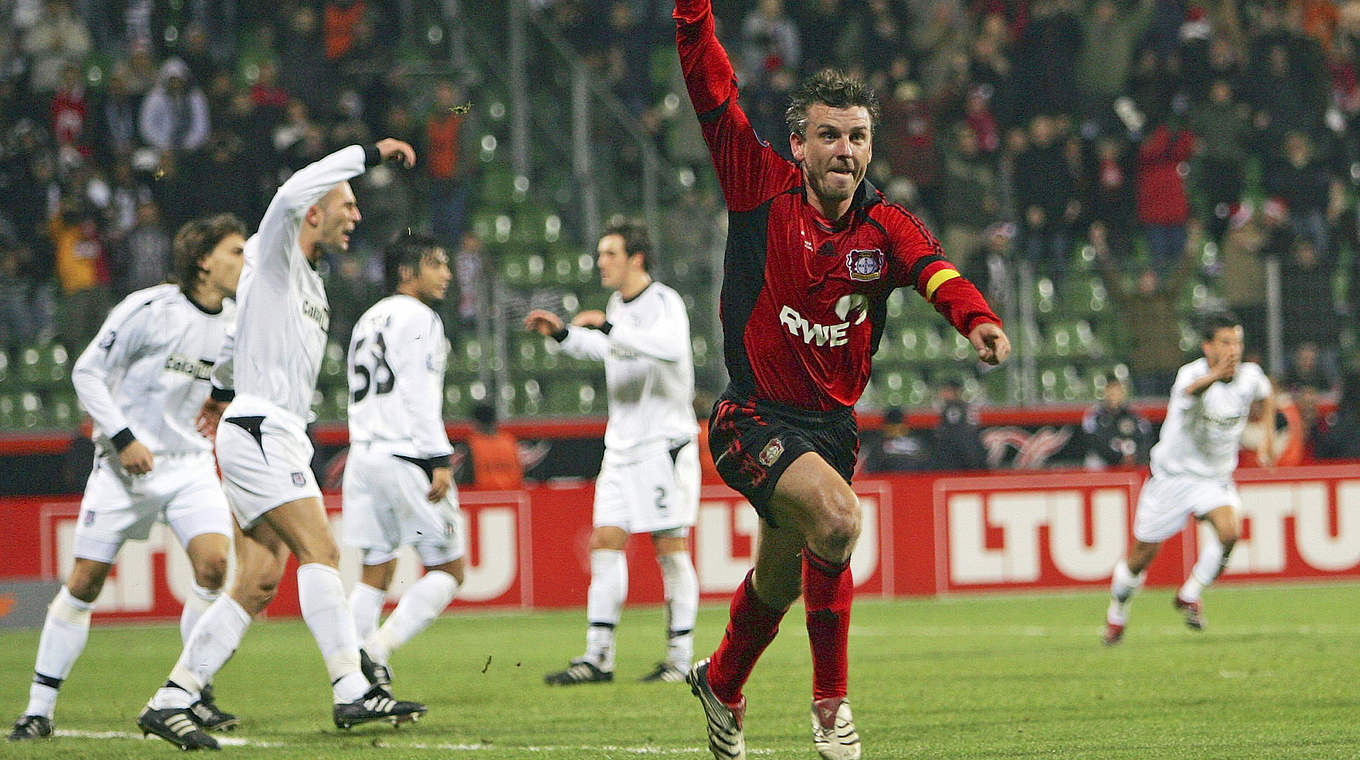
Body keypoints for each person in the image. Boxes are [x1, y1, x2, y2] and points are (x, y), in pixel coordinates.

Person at [673, 2, 1012, 758]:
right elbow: (711, 92)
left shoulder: (885, 226)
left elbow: (937, 270)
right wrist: (693, 14)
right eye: (828, 134)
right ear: (797, 143)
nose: (844, 150)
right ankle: (832, 712)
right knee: (838, 521)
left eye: (857, 136)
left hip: (829, 430)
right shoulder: (759, 187)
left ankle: (722, 681)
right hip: (751, 417)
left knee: (779, 586)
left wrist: (977, 319)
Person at [135, 139, 426, 751]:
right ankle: (350, 686)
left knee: (260, 581)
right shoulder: (271, 250)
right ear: (314, 211)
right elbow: (296, 188)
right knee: (322, 549)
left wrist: (216, 391)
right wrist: (370, 151)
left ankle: (173, 696)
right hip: (264, 431)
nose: (357, 215)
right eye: (346, 204)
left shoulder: (309, 286)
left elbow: (239, 337)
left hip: (271, 431)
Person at [9, 214, 247, 741]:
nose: (245, 260)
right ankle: (38, 708)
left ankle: (191, 691)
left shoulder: (234, 319)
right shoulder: (149, 308)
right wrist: (121, 438)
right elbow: (86, 372)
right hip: (123, 468)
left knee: (213, 567)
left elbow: (227, 375)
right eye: (236, 251)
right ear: (204, 260)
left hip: (189, 465)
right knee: (85, 582)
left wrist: (221, 399)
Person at [525, 219, 701, 686]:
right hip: (621, 448)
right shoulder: (615, 307)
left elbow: (667, 348)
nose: (600, 262)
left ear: (635, 258)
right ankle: (598, 656)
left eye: (609, 253)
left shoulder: (664, 302)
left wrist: (609, 326)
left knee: (670, 548)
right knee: (605, 544)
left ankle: (680, 658)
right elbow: (607, 347)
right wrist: (563, 335)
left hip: (664, 444)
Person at [1102, 312, 1275, 646]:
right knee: (1140, 557)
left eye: (1237, 342)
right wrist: (1214, 376)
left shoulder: (1250, 376)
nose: (1233, 349)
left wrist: (1267, 435)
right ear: (1207, 346)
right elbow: (1191, 392)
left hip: (1214, 479)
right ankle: (1117, 612)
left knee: (1230, 532)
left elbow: (1267, 395)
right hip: (1172, 478)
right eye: (1225, 342)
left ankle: (1190, 594)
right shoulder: (1191, 375)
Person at [343, 233, 464, 693]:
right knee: (449, 570)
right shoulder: (420, 317)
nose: (447, 273)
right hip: (405, 452)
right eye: (436, 264)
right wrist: (438, 458)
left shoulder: (368, 318)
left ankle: (351, 679)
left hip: (364, 454)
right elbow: (417, 390)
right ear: (406, 272)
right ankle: (374, 652)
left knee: (376, 568)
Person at [1081, 376, 1152, 470]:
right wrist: (1117, 454)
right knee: (1093, 461)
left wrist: (1132, 453)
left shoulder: (1133, 413)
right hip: (1104, 457)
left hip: (1131, 457)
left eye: (1118, 392)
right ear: (1105, 392)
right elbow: (1093, 440)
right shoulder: (1095, 413)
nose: (1115, 396)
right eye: (1111, 392)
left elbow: (1145, 436)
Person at [932, 379, 988, 471]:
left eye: (947, 391)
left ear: (957, 392)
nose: (943, 394)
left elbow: (953, 432)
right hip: (972, 450)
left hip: (960, 453)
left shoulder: (953, 408)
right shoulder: (966, 407)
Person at [467, 403, 523, 490]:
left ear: (476, 422)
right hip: (511, 494)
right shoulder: (509, 441)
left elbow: (468, 475)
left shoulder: (472, 443)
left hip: (481, 496)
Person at [860, 407, 931, 472]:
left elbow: (926, 463)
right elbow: (870, 467)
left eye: (898, 428)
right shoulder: (877, 445)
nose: (894, 431)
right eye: (891, 428)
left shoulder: (917, 444)